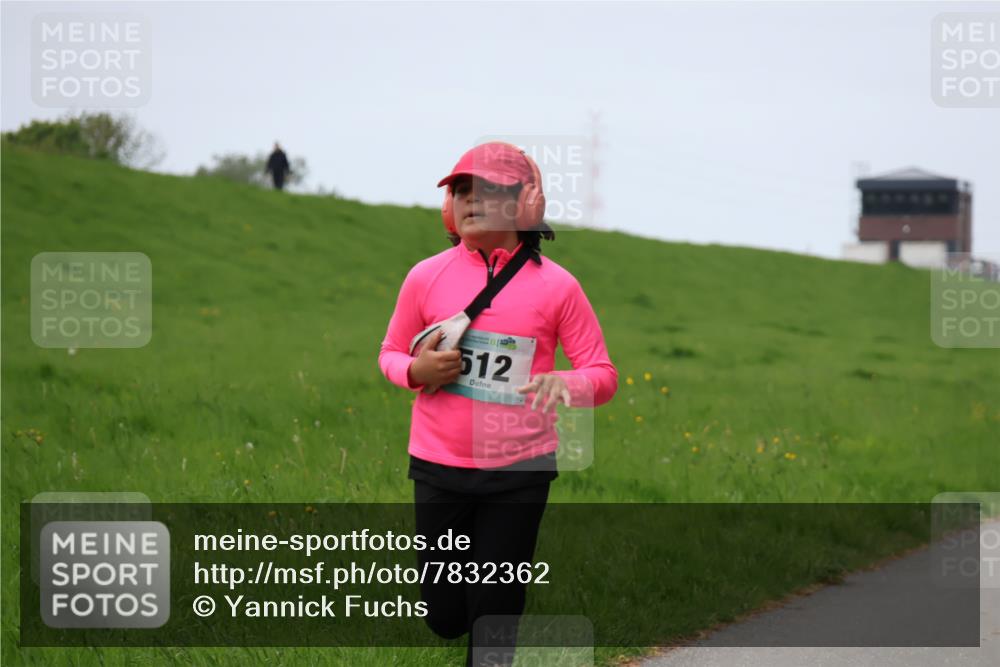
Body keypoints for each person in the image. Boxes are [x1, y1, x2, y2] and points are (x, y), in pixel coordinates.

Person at [378, 142, 618, 666]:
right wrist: (416, 372)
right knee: (444, 615)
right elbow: (390, 353)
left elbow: (602, 374)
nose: (468, 199)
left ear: (526, 204)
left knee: (495, 608)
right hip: (439, 466)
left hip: (520, 470)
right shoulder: (426, 276)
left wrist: (565, 385)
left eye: (486, 189)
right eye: (460, 190)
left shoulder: (558, 287)